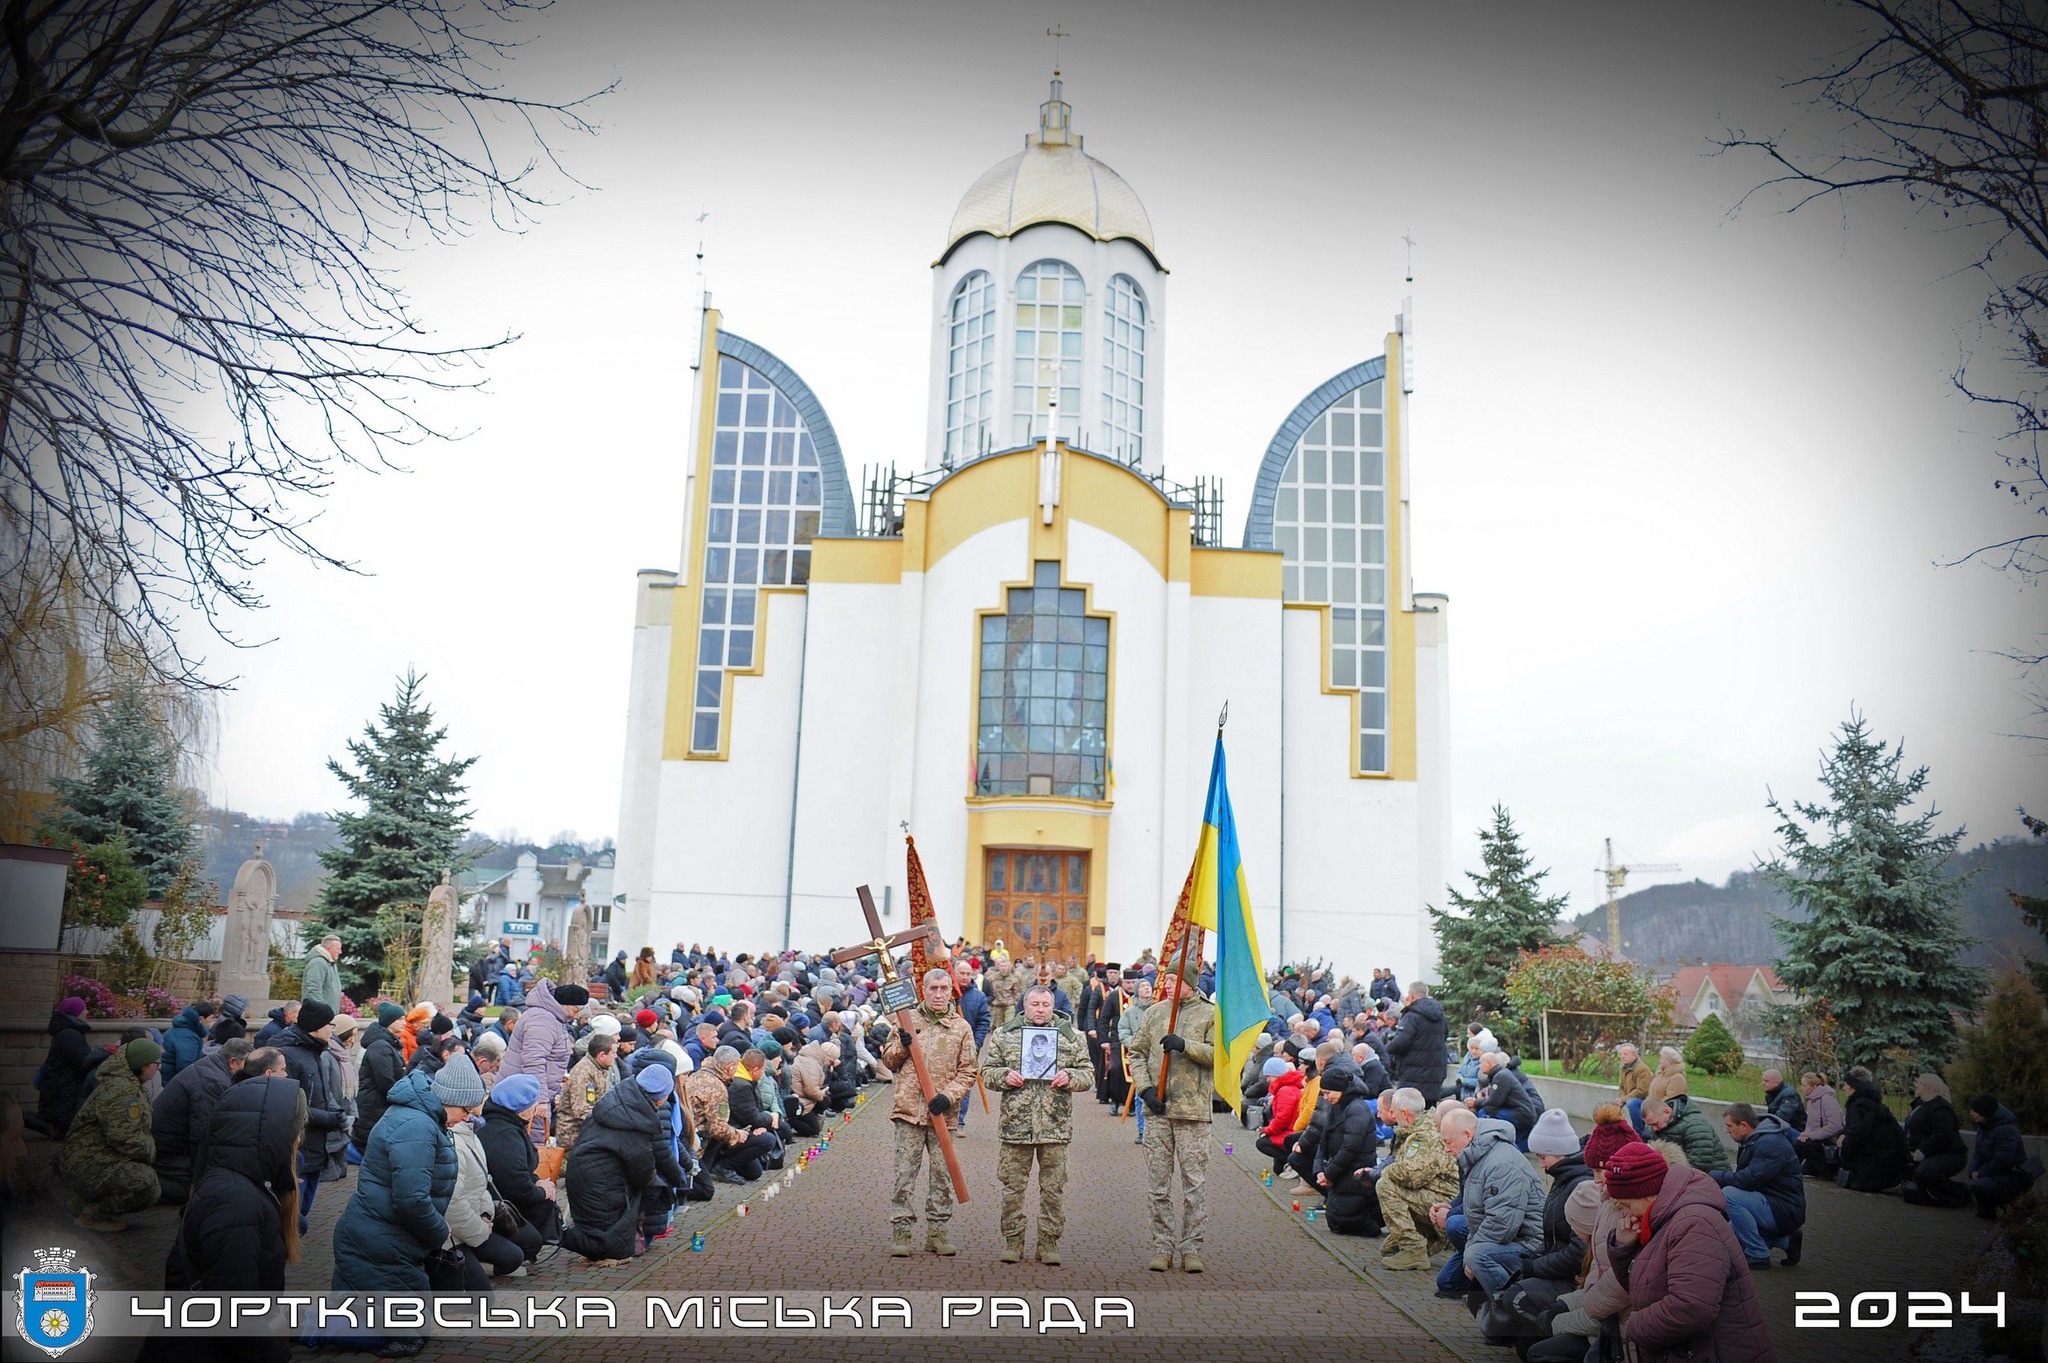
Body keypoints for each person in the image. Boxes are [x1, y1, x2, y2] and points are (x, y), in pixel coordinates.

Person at [138, 1077, 306, 1363]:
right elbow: (233, 1315)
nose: (300, 1140)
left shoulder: (242, 1187)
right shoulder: (235, 1201)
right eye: (298, 1129)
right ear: (274, 1133)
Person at [328, 1060, 466, 1356]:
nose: (467, 1118)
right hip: (379, 1238)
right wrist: (439, 1230)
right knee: (398, 1325)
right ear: (449, 1100)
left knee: (354, 1311)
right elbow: (411, 1200)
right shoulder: (417, 1126)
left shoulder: (420, 1118)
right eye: (466, 1110)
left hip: (378, 1232)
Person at [1602, 1142, 1778, 1362]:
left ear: (1646, 1194)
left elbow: (1691, 1307)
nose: (1625, 1213)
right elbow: (1643, 1285)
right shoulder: (1660, 1221)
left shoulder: (1693, 1224)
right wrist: (1624, 1249)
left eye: (1627, 1205)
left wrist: (1635, 1326)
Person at [980, 982, 1093, 1264]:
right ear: (1024, 1005)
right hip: (1015, 1125)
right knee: (1012, 1189)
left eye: (1045, 1005)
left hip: (1055, 1126)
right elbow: (987, 1073)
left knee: (1053, 1189)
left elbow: (1088, 1074)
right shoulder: (1005, 1035)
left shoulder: (1072, 1037)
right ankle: (1013, 1241)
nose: (1040, 1010)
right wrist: (1004, 1075)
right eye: (1034, 1004)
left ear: (1053, 1006)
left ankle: (1048, 1243)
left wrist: (1070, 1076)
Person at [879, 968, 977, 1255]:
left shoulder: (960, 1028)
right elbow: (888, 1060)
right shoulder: (906, 1020)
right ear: (923, 990)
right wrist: (902, 1045)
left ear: (951, 991)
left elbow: (969, 1070)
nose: (938, 994)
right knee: (904, 1175)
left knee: (942, 1175)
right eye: (933, 988)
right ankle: (902, 1231)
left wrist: (948, 1097)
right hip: (909, 1111)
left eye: (943, 988)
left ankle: (937, 1231)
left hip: (942, 1116)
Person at [1127, 954, 1216, 1273]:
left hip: (1192, 1114)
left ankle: (1191, 1247)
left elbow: (1220, 1056)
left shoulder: (1210, 1014)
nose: (1164, 984)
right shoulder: (1154, 1013)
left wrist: (1185, 1045)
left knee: (1194, 1185)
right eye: (1163, 978)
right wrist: (1145, 1089)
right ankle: (1162, 1246)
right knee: (1158, 1184)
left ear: (1188, 983)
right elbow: (1135, 1053)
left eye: (1172, 979)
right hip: (1158, 1112)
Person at [559, 1066, 684, 1263]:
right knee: (616, 1246)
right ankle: (555, 1234)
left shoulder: (616, 1101)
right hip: (601, 1185)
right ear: (661, 1097)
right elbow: (643, 1174)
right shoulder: (636, 1125)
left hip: (581, 1177)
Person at [59, 1037, 163, 1230]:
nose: (158, 1068)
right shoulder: (122, 1091)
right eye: (156, 1063)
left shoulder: (129, 1085)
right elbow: (125, 1138)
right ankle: (92, 1216)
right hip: (87, 1161)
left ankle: (82, 1203)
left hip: (92, 1157)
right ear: (144, 1065)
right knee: (145, 1185)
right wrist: (150, 1152)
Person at [1441, 1107, 1544, 1295]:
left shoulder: (1500, 1164)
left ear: (1467, 1134)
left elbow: (1502, 1224)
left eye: (1448, 1142)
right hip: (1508, 1238)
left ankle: (1511, 1303)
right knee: (1450, 1279)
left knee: (1475, 1256)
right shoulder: (1478, 1156)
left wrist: (1472, 1256)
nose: (1446, 1149)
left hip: (1529, 1244)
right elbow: (1477, 1217)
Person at [275, 1000, 348, 1235]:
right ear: (316, 1027)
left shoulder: (315, 1050)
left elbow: (320, 1095)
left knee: (301, 1212)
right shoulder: (290, 1054)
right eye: (330, 1024)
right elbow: (291, 1104)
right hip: (301, 1147)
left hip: (316, 1145)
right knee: (293, 1217)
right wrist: (330, 1118)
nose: (333, 1029)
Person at [152, 1037, 252, 1203]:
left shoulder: (211, 1067)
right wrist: (198, 1179)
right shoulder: (213, 1082)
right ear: (233, 1062)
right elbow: (203, 1134)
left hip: (169, 1146)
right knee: (212, 1186)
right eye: (246, 1064)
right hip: (166, 1154)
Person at [1710, 1101, 1807, 1269]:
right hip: (1771, 1203)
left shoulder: (1770, 1143)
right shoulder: (1756, 1139)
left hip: (1785, 1207)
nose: (1727, 1130)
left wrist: (1713, 1175)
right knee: (1722, 1242)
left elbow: (1747, 1180)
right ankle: (1787, 1241)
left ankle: (1757, 1254)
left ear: (1744, 1125)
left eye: (1729, 1126)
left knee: (1729, 1195)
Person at [477, 1072, 560, 1248]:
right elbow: (517, 1186)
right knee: (532, 1239)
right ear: (522, 1109)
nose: (536, 1105)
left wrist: (538, 1183)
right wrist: (543, 1191)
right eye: (533, 1103)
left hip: (499, 1196)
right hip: (497, 1205)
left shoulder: (503, 1123)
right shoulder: (505, 1135)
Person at [501, 980, 584, 1143]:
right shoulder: (543, 1020)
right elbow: (534, 1062)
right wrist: (541, 1100)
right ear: (564, 1004)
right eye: (576, 1009)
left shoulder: (551, 1017)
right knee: (531, 1144)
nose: (577, 1014)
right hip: (526, 1097)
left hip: (530, 1092)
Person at [1316, 1060, 1382, 1237]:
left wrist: (1329, 1174)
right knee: (1335, 1221)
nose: (1326, 1098)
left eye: (1328, 1093)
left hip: (1355, 1170)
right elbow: (1324, 1141)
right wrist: (1320, 1171)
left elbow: (1351, 1147)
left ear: (1340, 1089)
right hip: (1342, 1170)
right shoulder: (1337, 1107)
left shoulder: (1357, 1109)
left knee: (1343, 1220)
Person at [1901, 1073, 1970, 1208]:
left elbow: (1942, 1134)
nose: (1916, 1086)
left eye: (1920, 1084)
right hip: (1925, 1154)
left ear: (1929, 1087)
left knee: (1925, 1173)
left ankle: (1959, 1192)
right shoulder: (1921, 1105)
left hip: (1949, 1154)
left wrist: (1923, 1151)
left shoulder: (1940, 1107)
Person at [1837, 1066, 1908, 1193]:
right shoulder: (1868, 1102)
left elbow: (1858, 1132)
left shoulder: (1862, 1105)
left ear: (1854, 1086)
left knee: (1860, 1185)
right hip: (1882, 1152)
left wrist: (1844, 1147)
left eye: (1846, 1084)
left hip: (1880, 1155)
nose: (1844, 1087)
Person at [1966, 1093, 2032, 1220]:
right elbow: (1978, 1153)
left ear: (1985, 1112)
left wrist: (1980, 1172)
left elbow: (2004, 1160)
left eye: (1975, 1111)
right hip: (1995, 1173)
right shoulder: (1983, 1127)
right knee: (1979, 1185)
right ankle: (1988, 1213)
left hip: (2014, 1175)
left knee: (1982, 1185)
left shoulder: (2006, 1130)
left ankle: (2006, 1211)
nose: (1971, 1113)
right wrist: (1973, 1170)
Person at [1383, 981, 1448, 1104]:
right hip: (1434, 1075)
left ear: (1411, 995)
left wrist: (1387, 1047)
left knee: (1409, 1115)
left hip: (1412, 1076)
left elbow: (1400, 1043)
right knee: (1429, 1115)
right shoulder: (1440, 1016)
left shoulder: (1411, 1016)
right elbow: (1445, 1035)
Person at [39, 997, 96, 1135]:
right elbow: (83, 1061)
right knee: (62, 1128)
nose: (87, 1012)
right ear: (76, 1013)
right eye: (83, 1009)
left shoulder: (67, 1032)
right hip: (64, 1087)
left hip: (61, 1085)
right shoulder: (70, 1034)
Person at [1468, 1049, 1541, 1149]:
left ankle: (1485, 1145)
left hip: (1521, 1115)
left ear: (1488, 1064)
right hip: (1522, 1113)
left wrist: (1475, 1102)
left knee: (1484, 1114)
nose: (1479, 1066)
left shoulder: (1501, 1076)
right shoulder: (1500, 1074)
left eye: (1481, 1063)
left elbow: (1493, 1103)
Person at [558, 1031, 619, 1149]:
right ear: (602, 1055)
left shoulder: (599, 1068)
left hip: (589, 1134)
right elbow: (581, 1110)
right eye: (613, 1053)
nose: (615, 1057)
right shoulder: (583, 1073)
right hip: (574, 1138)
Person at [1117, 978, 1154, 1140]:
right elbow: (1123, 1031)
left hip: (1157, 1056)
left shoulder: (1158, 1008)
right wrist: (1135, 1044)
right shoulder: (1130, 1012)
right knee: (1141, 1093)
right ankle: (1142, 1131)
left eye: (1148, 985)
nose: (1147, 988)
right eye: (1143, 986)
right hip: (1139, 1057)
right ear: (1137, 990)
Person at [1794, 1070, 1845, 1176]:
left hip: (1831, 1142)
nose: (1801, 1088)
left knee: (1802, 1145)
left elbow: (1835, 1126)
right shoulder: (1812, 1101)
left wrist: (1811, 1135)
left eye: (1804, 1085)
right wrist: (1805, 1134)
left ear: (1814, 1087)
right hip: (1820, 1139)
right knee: (1799, 1142)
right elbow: (1811, 1124)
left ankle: (1828, 1171)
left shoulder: (1828, 1100)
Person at [159, 999, 215, 1083]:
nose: (211, 1022)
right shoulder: (188, 1036)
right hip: (174, 1083)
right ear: (201, 1019)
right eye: (210, 1018)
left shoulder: (183, 1029)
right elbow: (185, 1066)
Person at [302, 934, 344, 1012]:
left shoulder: (331, 963)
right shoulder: (318, 963)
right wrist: (320, 1012)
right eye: (338, 948)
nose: (340, 952)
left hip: (328, 1015)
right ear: (329, 948)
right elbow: (313, 990)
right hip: (319, 1016)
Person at [1615, 1042, 1652, 1129]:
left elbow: (1642, 1091)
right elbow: (1622, 1087)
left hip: (1645, 1101)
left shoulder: (1642, 1069)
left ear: (1634, 1055)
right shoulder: (1624, 1068)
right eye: (1621, 1054)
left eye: (1626, 1054)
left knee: (1631, 1103)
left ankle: (1639, 1130)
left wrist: (1623, 1099)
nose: (1622, 1056)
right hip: (1630, 1098)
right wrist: (1621, 1099)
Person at [1761, 1067, 1806, 1132]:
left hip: (1795, 1130)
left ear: (1776, 1082)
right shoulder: (1770, 1095)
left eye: (1766, 1081)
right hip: (1781, 1127)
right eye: (1763, 1080)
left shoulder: (1789, 1094)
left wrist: (1764, 1123)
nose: (1763, 1083)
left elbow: (1783, 1116)